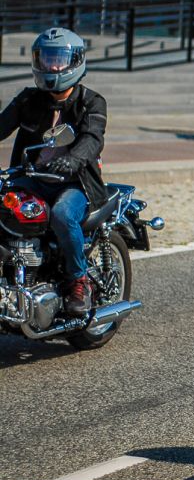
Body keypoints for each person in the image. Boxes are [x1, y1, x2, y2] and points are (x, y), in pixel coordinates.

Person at [0, 28, 109, 316]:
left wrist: (74, 159)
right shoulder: (28, 99)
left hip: (74, 183)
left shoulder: (91, 102)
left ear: (75, 61)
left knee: (62, 215)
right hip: (33, 178)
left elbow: (93, 138)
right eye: (46, 59)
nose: (52, 67)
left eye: (58, 60)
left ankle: (78, 280)